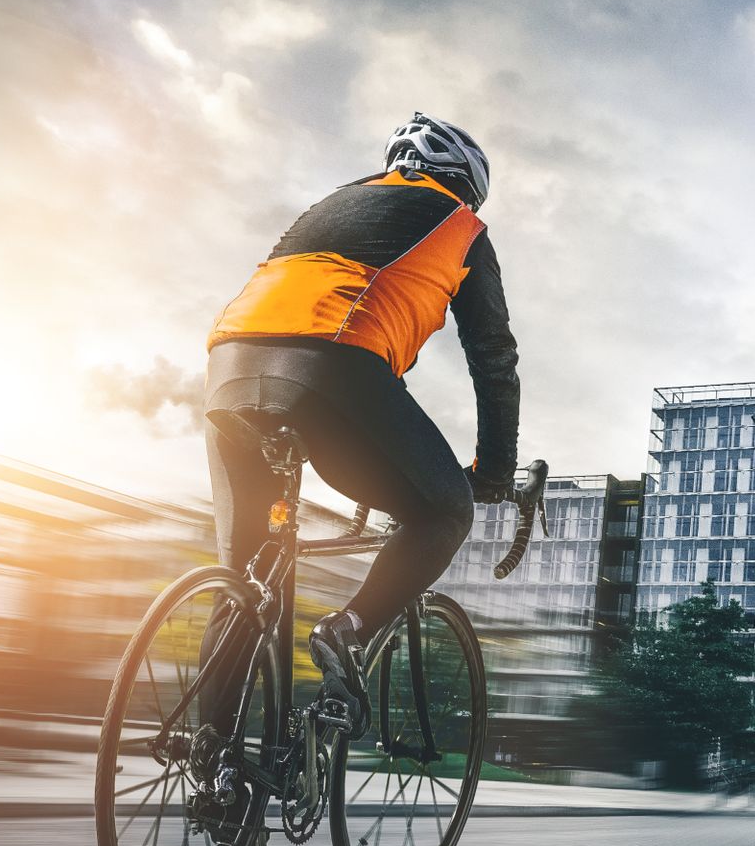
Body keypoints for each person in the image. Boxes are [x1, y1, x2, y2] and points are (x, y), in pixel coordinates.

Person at [203, 112, 519, 734]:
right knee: (445, 511)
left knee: (240, 581)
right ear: (466, 185)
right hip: (335, 368)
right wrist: (495, 469)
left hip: (228, 369)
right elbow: (493, 356)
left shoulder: (328, 206)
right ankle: (347, 630)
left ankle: (213, 761)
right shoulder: (461, 225)